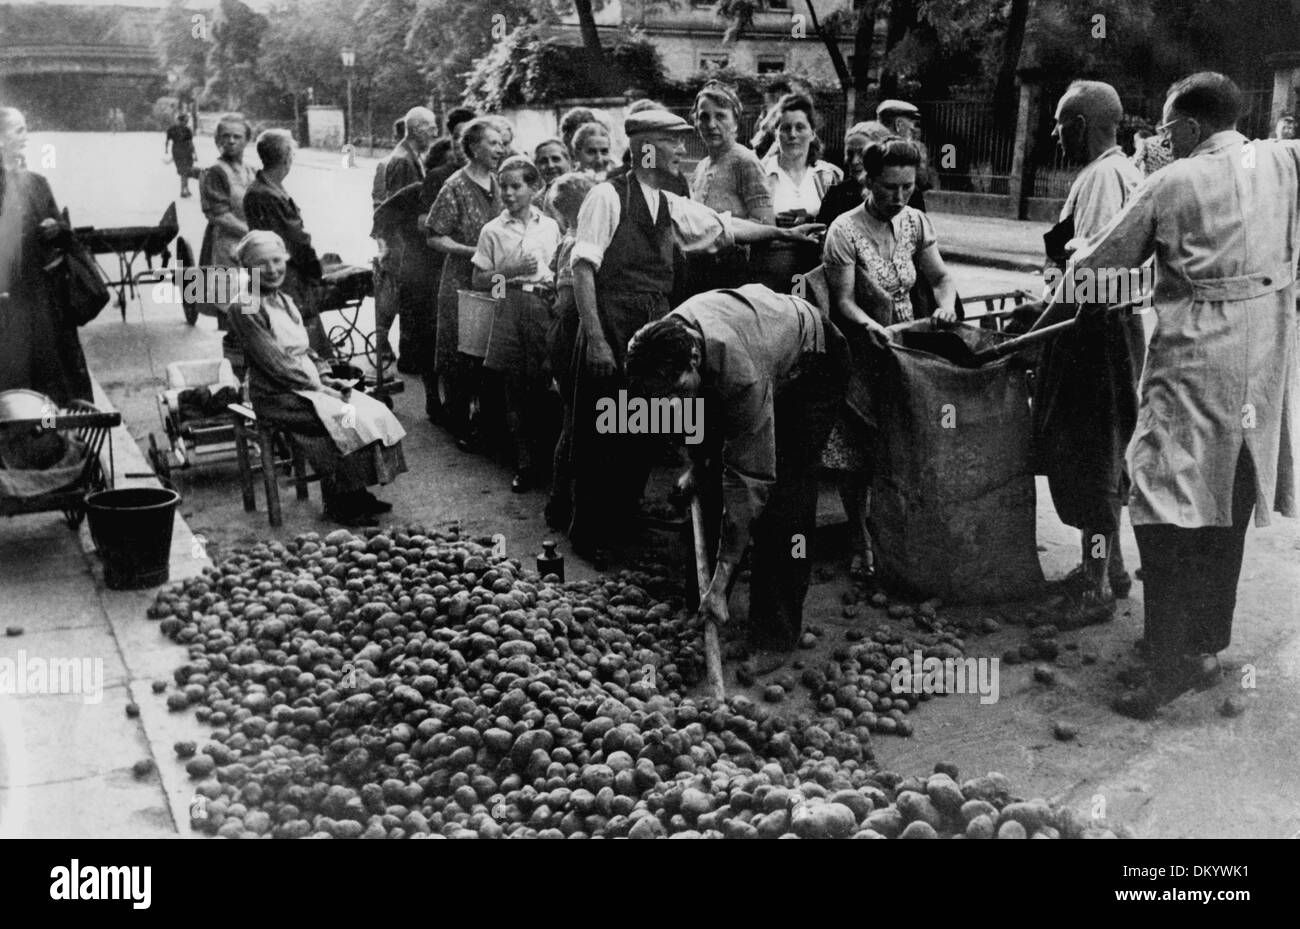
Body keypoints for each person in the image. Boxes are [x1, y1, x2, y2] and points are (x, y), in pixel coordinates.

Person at [1029, 72, 1298, 718]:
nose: (1160, 139)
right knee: (1228, 495)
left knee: (1159, 502)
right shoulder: (1285, 162)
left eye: (1166, 128)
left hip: (1196, 360)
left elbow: (1097, 265)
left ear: (1188, 128)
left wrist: (1050, 297)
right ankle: (1206, 645)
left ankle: (1168, 660)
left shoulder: (1172, 181)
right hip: (1261, 356)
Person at [566, 109, 824, 565]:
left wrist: (785, 234)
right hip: (611, 322)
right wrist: (597, 340)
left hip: (650, 328)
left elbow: (724, 227)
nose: (684, 152)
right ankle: (589, 534)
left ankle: (623, 519)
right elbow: (583, 268)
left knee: (640, 427)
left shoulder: (666, 203)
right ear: (646, 147)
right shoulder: (606, 196)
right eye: (674, 143)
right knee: (600, 430)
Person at [625, 285, 849, 667]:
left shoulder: (739, 374)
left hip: (813, 365)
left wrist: (723, 572)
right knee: (711, 479)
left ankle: (775, 636)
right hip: (754, 345)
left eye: (677, 390)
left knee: (783, 500)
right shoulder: (660, 346)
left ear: (694, 359)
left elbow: (749, 480)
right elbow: (688, 413)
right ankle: (707, 603)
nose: (672, 402)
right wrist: (698, 465)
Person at [1032, 81, 1144, 625]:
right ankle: (1112, 569)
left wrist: (1033, 329)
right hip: (1108, 331)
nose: (1054, 133)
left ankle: (1095, 589)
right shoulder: (1120, 171)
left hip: (1094, 335)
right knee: (1106, 451)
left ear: (1079, 124)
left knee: (1090, 456)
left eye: (1059, 122)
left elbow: (1091, 280)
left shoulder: (1103, 176)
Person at [820, 139, 958, 578]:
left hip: (907, 347)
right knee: (856, 446)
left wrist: (945, 304)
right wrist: (869, 327)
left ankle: (899, 534)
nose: (899, 198)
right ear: (868, 180)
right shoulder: (843, 230)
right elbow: (842, 301)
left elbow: (940, 276)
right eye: (888, 188)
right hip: (863, 346)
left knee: (904, 440)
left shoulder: (915, 222)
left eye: (907, 187)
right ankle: (860, 537)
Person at [226, 231, 407, 527]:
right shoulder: (245, 305)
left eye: (276, 261)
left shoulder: (282, 298)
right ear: (247, 268)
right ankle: (339, 501)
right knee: (340, 417)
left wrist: (326, 377)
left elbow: (307, 349)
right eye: (262, 264)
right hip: (277, 394)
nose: (272, 270)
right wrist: (320, 388)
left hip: (307, 384)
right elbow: (276, 363)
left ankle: (356, 491)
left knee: (370, 409)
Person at [471, 156, 562, 492]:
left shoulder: (550, 226)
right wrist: (507, 273)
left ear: (534, 188)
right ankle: (524, 464)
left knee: (547, 383)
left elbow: (557, 267)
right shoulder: (492, 231)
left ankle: (551, 462)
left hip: (544, 306)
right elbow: (481, 281)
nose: (508, 193)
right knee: (516, 389)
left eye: (516, 186)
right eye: (503, 186)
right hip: (510, 305)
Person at [0, 106, 93, 406]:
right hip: (11, 300)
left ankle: (59, 437)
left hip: (46, 295)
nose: (26, 137)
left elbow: (67, 233)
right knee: (19, 377)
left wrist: (58, 229)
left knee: (55, 370)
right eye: (19, 131)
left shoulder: (37, 183)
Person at [427, 117, 505, 449]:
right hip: (462, 280)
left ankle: (487, 423)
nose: (500, 149)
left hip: (497, 278)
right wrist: (471, 250)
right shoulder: (455, 185)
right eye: (493, 143)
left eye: (502, 144)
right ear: (473, 147)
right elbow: (434, 236)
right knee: (462, 354)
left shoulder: (501, 182)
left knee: (492, 348)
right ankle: (459, 423)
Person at [243, 129, 331, 359]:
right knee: (299, 334)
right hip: (287, 276)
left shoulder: (259, 189)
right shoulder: (269, 194)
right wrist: (316, 273)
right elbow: (298, 241)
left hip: (268, 271)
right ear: (287, 158)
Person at [542, 171, 596, 532]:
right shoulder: (575, 243)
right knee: (574, 423)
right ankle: (560, 502)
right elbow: (564, 302)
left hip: (570, 334)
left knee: (575, 421)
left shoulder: (572, 238)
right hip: (570, 335)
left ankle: (563, 500)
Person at [686, 81, 773, 291]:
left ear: (735, 122)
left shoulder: (745, 161)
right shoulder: (701, 166)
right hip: (700, 274)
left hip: (734, 277)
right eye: (704, 117)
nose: (711, 124)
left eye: (720, 116)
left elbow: (766, 225)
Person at [375, 106, 439, 370]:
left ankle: (383, 343)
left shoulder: (408, 156)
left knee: (397, 290)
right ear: (416, 129)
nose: (435, 133)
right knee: (399, 291)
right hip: (239, 258)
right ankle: (238, 340)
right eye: (431, 127)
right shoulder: (403, 160)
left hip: (244, 255)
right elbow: (403, 204)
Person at [760, 94, 842, 293]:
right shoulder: (760, 174)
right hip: (772, 271)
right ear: (775, 132)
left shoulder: (829, 176)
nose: (792, 134)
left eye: (800, 127)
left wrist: (812, 221)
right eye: (785, 128)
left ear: (813, 133)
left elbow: (841, 226)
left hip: (816, 270)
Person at [199, 114, 256, 377]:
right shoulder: (214, 172)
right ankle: (235, 378)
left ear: (247, 140)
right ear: (217, 140)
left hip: (251, 252)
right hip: (228, 250)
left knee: (253, 314)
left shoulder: (249, 171)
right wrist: (252, 233)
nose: (231, 142)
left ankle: (252, 378)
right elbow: (218, 213)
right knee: (234, 317)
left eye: (237, 137)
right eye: (226, 137)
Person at [816, 121, 892, 225]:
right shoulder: (836, 194)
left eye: (862, 153)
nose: (855, 161)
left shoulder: (902, 191)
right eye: (850, 153)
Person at [876, 99, 931, 211]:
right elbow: (924, 182)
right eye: (910, 126)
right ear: (898, 125)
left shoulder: (870, 148)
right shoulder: (908, 151)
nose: (912, 129)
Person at [750, 78, 793, 159]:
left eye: (769, 97)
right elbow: (757, 130)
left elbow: (779, 143)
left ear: (779, 95)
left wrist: (765, 160)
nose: (766, 101)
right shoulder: (769, 112)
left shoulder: (786, 113)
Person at [163, 112, 197, 198]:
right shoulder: (187, 130)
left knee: (183, 171)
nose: (185, 123)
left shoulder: (171, 129)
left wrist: (166, 150)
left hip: (177, 151)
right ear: (182, 121)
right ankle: (183, 190)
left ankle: (185, 189)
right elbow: (190, 143)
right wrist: (194, 154)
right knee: (185, 171)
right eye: (185, 121)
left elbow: (167, 141)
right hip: (185, 151)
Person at [533, 138, 571, 208]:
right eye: (543, 161)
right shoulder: (536, 204)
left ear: (568, 160)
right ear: (537, 167)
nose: (550, 165)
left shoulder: (585, 189)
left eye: (555, 159)